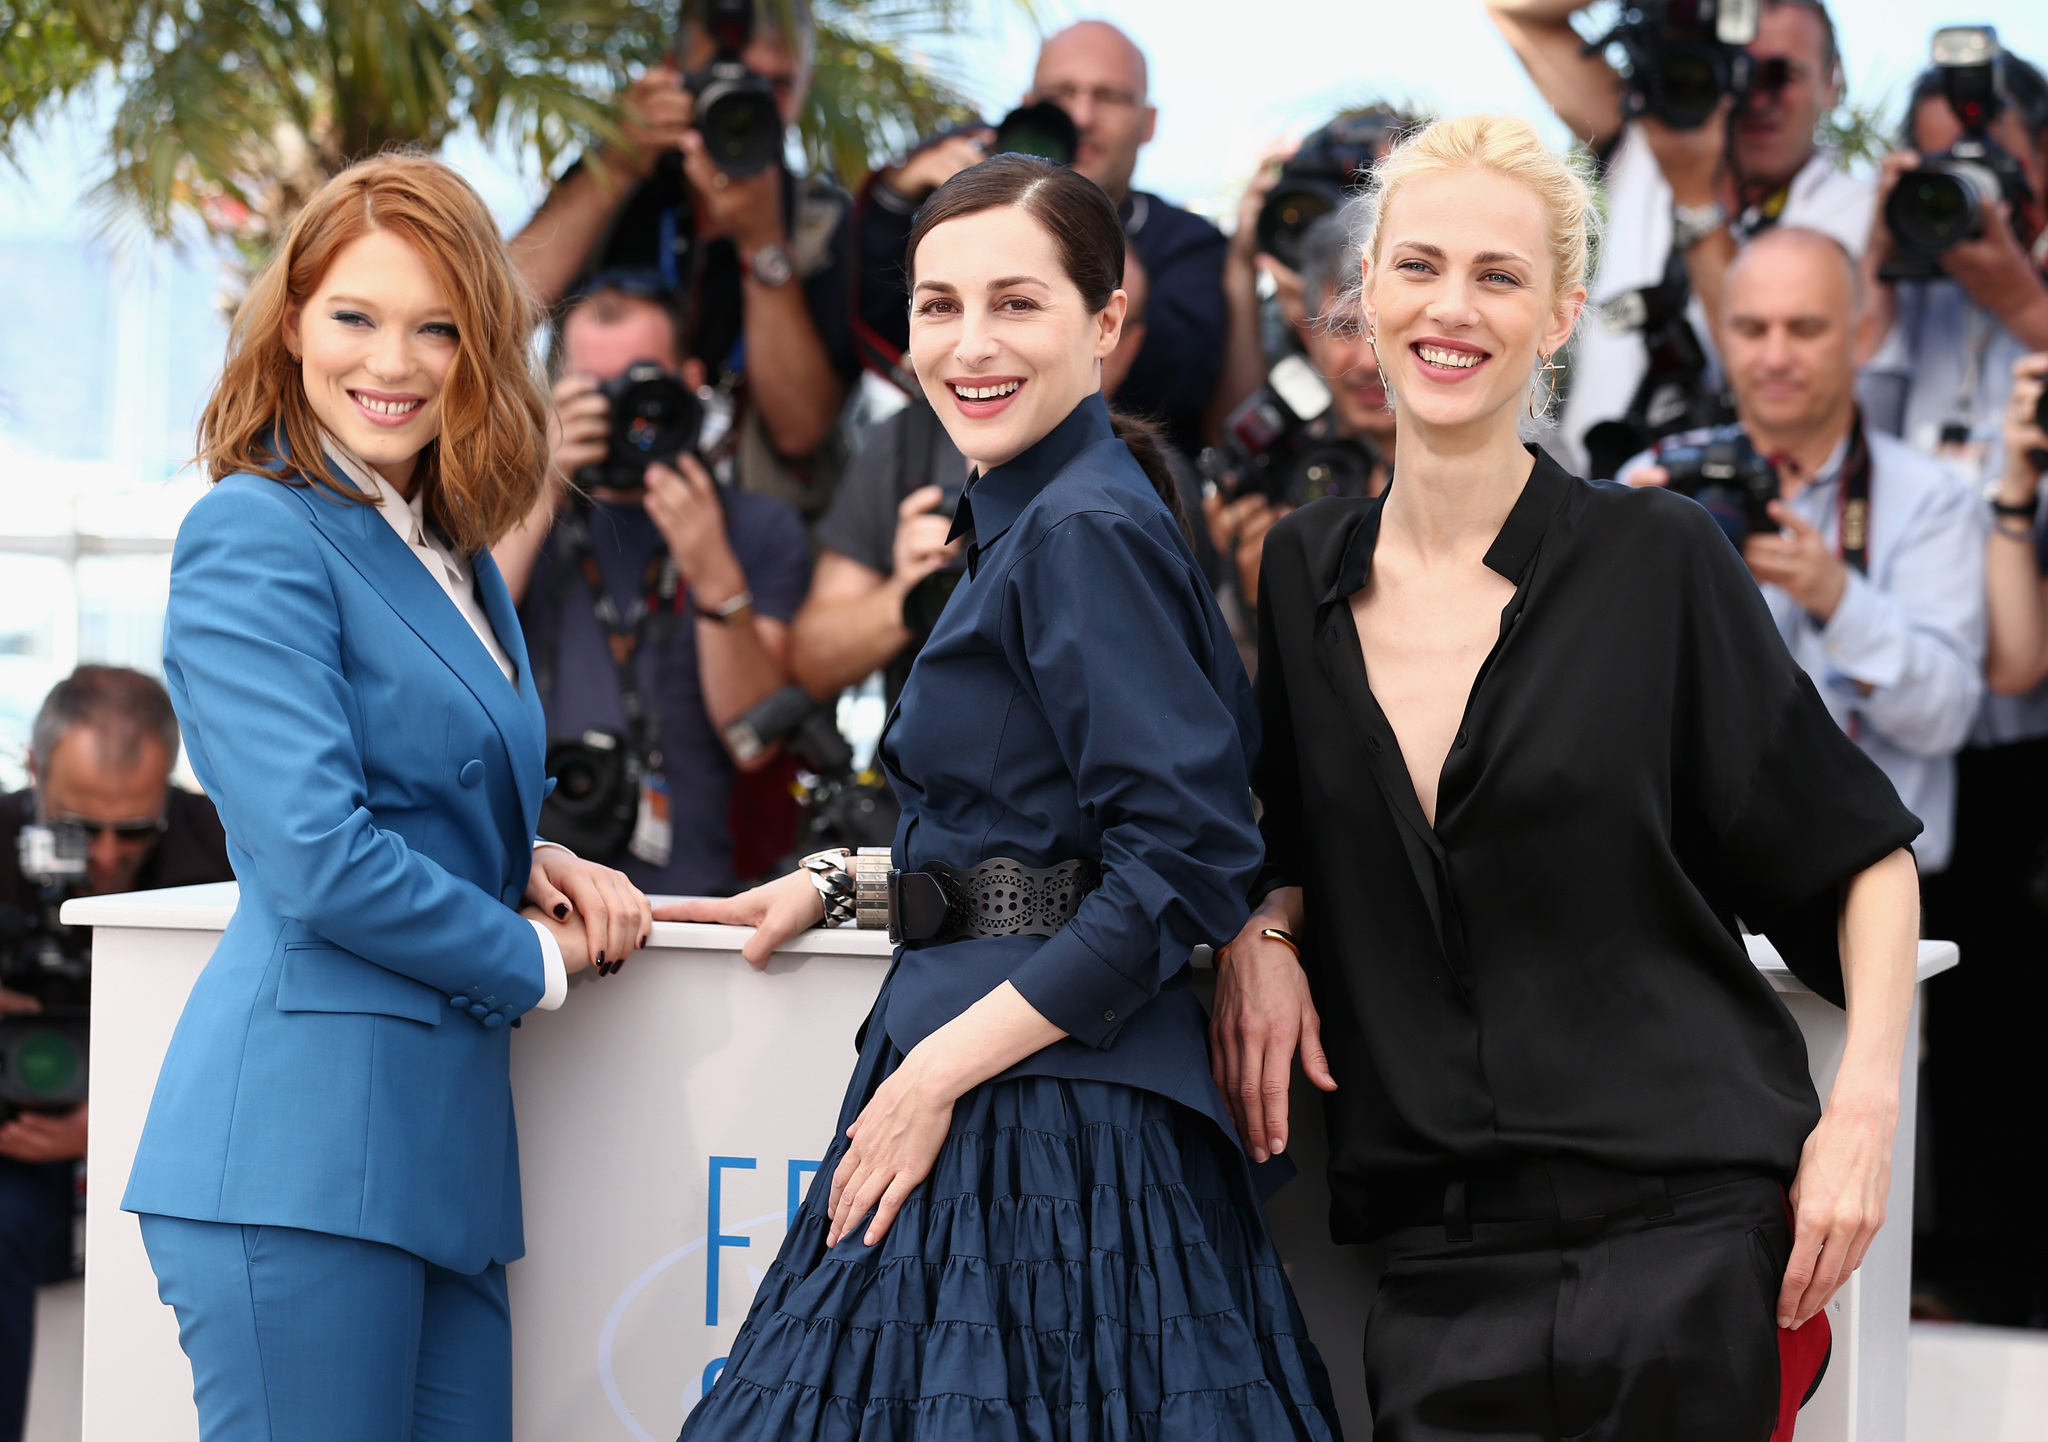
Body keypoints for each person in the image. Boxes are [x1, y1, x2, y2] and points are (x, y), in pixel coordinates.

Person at [1212, 114, 1922, 1439]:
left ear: (1558, 316)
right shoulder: (1303, 570)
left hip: (1689, 1244)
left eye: (1498, 276)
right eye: (1418, 265)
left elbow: (1862, 855)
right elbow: (1287, 832)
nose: (1451, 307)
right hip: (1434, 1268)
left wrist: (1864, 1115)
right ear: (1361, 296)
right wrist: (1262, 929)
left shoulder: (1659, 561)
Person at [661, 154, 1339, 1442]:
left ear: (1103, 325)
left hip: (1038, 1123)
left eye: (1015, 303)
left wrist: (933, 1078)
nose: (968, 343)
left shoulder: (1082, 525)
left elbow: (1185, 851)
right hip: (1024, 1095)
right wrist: (848, 878)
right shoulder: (1054, 514)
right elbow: (1047, 829)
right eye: (937, 305)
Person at [120, 154, 653, 1441]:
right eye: (355, 316)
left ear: (482, 348)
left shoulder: (452, 543)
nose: (394, 361)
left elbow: (418, 775)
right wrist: (531, 954)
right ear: (292, 319)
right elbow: (309, 847)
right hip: (297, 1152)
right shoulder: (256, 529)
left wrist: (520, 851)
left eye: (438, 327)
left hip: (435, 1163)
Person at [1621, 226, 1984, 877]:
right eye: (1752, 329)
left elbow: (1945, 719)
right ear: (1724, 335)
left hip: (1872, 894)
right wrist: (1627, 573)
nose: (1775, 356)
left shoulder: (1930, 497)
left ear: (1859, 335)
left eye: (1805, 328)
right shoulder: (1653, 479)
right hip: (1686, 894)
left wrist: (1838, 600)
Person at [494, 276, 812, 896]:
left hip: (696, 898)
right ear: (558, 392)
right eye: (594, 388)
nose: (616, 410)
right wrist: (544, 484)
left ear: (689, 382)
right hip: (530, 888)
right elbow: (454, 646)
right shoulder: (515, 514)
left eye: (637, 385)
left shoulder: (756, 527)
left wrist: (715, 572)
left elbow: (754, 741)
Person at [791, 248, 1210, 705]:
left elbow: (1169, 700)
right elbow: (810, 665)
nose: (977, 349)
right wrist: (905, 596)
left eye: (1021, 306)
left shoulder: (1152, 481)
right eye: (944, 307)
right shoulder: (906, 446)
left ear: (1112, 333)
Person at [1487, 0, 1874, 477]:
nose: (1756, 98)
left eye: (1780, 75)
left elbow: (1768, 372)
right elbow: (1514, 12)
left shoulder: (1868, 212)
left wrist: (1695, 196)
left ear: (1833, 80)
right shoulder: (1650, 147)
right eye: (1739, 71)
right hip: (1594, 500)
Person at [509, 0, 856, 517]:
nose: (746, 100)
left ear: (804, 86)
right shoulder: (612, 180)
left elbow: (801, 431)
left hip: (755, 538)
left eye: (775, 85)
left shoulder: (821, 221)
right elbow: (494, 313)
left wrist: (763, 245)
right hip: (582, 529)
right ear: (672, 73)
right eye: (726, 77)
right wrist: (621, 158)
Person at [0, 667, 232, 1442]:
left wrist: (116, 1119)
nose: (103, 854)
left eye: (134, 830)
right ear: (34, 772)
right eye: (75, 826)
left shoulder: (227, 851)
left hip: (182, 1137)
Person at [854, 20, 1228, 457]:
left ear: (1148, 123)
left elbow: (1181, 381)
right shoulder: (963, 220)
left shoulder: (1188, 241)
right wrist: (900, 201)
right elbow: (877, 323)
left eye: (1109, 97)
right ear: (1027, 108)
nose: (1082, 117)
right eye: (1061, 96)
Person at [1920, 350, 2048, 1326]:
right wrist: (2012, 488)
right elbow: (2013, 664)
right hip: (2013, 770)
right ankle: (1993, 1282)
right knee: (1994, 1030)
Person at [1207, 201, 1395, 619]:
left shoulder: (1511, 473)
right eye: (1345, 327)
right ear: (1309, 335)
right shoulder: (1277, 464)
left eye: (1387, 327)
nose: (1367, 360)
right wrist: (1255, 604)